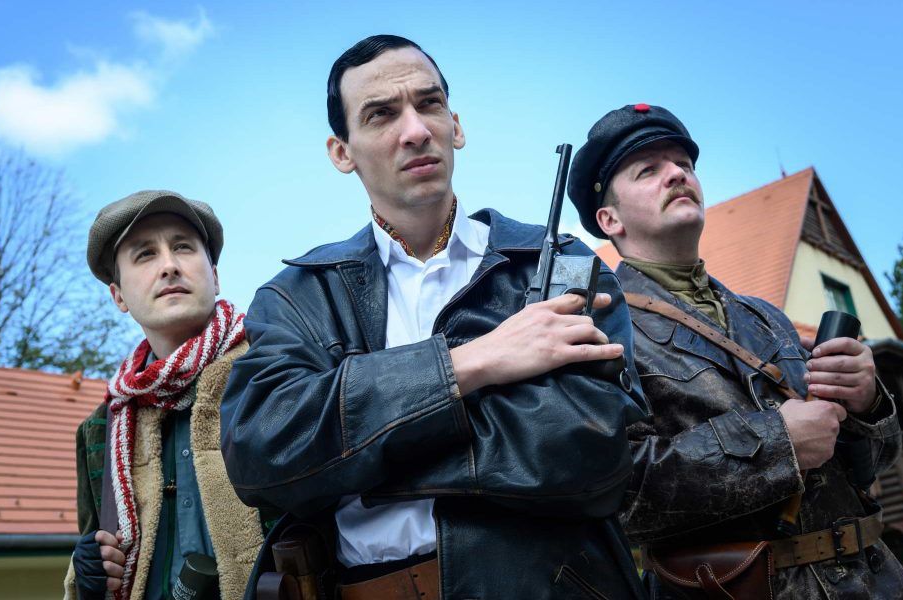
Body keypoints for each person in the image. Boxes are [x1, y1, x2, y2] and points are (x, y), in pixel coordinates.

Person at [220, 35, 648, 600]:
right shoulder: (298, 296)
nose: (415, 130)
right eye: (380, 114)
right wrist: (473, 363)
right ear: (342, 153)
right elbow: (262, 453)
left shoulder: (560, 263)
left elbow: (593, 448)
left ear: (456, 126)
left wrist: (359, 459)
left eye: (429, 104)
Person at [568, 104, 903, 599]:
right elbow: (614, 491)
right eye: (649, 170)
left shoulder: (767, 317)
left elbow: (867, 468)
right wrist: (777, 443)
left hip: (875, 581)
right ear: (610, 218)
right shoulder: (596, 328)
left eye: (684, 164)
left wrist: (866, 403)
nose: (677, 175)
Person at [65, 191, 270, 599]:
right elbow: (97, 554)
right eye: (145, 254)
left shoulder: (275, 374)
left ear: (215, 276)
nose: (169, 265)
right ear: (119, 296)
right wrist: (87, 578)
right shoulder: (100, 430)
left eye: (183, 247)